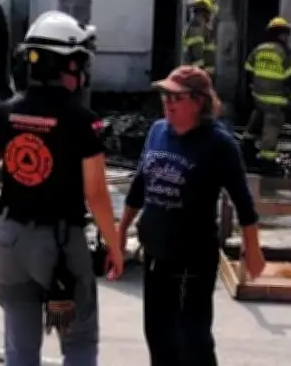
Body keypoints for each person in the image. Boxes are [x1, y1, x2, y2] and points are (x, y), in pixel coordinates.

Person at [0, 9, 123, 366]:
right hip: (60, 254)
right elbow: (96, 194)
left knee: (21, 350)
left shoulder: (6, 112)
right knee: (77, 344)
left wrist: (25, 184)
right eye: (80, 63)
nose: (83, 73)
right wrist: (114, 245)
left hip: (9, 244)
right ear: (66, 67)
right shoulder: (83, 121)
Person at [117, 65, 265, 366]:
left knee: (192, 338)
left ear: (199, 101)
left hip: (192, 260)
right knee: (158, 336)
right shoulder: (158, 132)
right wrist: (119, 234)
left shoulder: (218, 144)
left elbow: (243, 201)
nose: (168, 103)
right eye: (165, 96)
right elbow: (139, 186)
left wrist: (253, 249)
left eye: (177, 97)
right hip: (156, 253)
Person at [242, 16, 291, 175]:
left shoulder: (259, 49)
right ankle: (267, 163)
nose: (286, 38)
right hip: (275, 102)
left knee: (254, 125)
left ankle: (245, 153)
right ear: (281, 35)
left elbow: (248, 69)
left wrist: (252, 89)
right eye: (285, 34)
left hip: (258, 98)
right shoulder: (284, 52)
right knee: (271, 131)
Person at [181, 0, 218, 78]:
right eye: (210, 13)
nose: (210, 17)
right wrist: (201, 75)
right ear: (204, 13)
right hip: (199, 76)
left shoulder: (202, 28)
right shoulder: (195, 28)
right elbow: (197, 57)